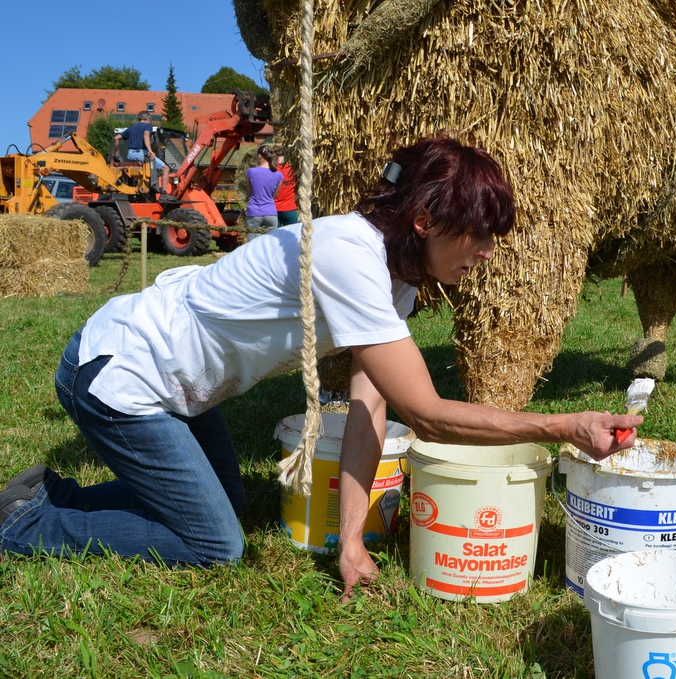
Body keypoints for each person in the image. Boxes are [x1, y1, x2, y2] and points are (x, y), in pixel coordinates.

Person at [0, 137, 642, 601]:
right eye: (477, 234)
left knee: (225, 502)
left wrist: (351, 542)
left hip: (178, 385)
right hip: (121, 375)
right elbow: (428, 416)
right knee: (214, 544)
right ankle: (25, 523)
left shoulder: (395, 278)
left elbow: (372, 406)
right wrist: (563, 425)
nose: (487, 252)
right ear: (424, 221)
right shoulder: (346, 255)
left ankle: (51, 495)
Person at [112, 111, 170, 193]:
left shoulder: (131, 128)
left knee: (141, 170)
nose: (150, 121)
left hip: (130, 155)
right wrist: (150, 151)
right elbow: (146, 136)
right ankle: (163, 192)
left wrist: (117, 151)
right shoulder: (147, 126)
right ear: (148, 118)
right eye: (150, 119)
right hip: (141, 154)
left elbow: (116, 138)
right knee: (165, 168)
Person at [245, 145, 283, 237]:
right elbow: (274, 196)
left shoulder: (251, 172)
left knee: (253, 243)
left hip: (254, 212)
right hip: (270, 212)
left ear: (259, 156)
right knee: (270, 243)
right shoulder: (279, 175)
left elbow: (250, 193)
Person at [274, 149, 299, 226]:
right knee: (291, 232)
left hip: (274, 209)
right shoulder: (293, 170)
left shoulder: (271, 170)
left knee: (274, 233)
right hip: (290, 208)